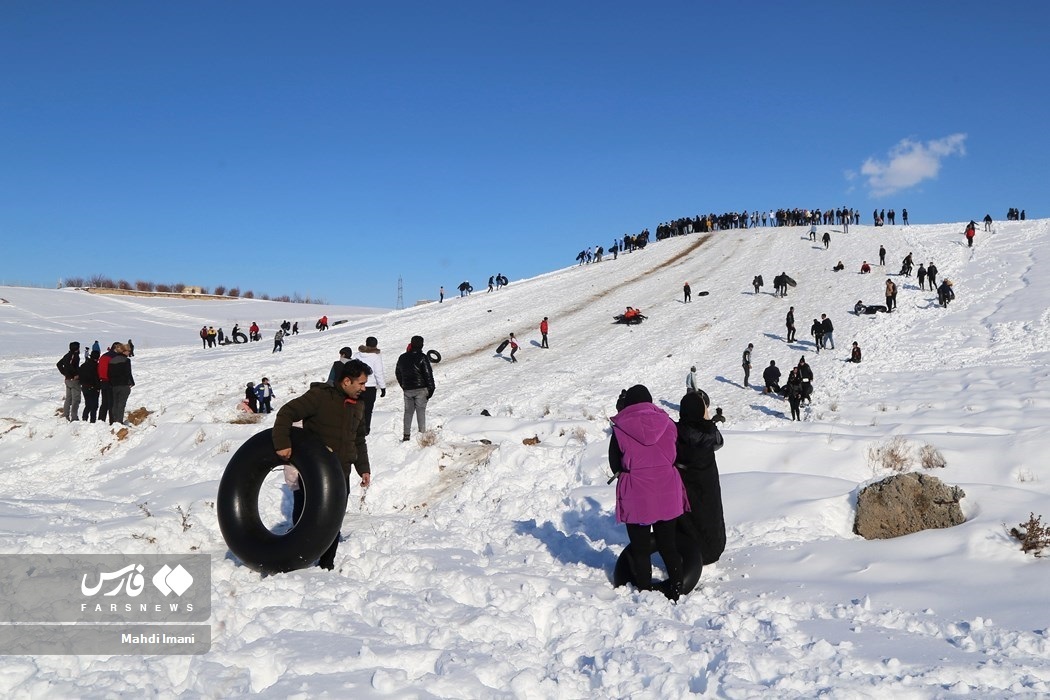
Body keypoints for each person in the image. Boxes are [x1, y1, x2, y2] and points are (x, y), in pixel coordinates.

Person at [273, 359, 372, 571]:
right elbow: (286, 412)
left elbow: (359, 439)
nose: (364, 388)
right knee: (304, 517)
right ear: (346, 381)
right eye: (361, 383)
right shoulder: (320, 397)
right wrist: (282, 443)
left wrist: (363, 468)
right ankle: (295, 559)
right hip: (313, 473)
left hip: (341, 471)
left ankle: (327, 564)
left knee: (333, 520)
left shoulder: (359, 405)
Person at [609, 385, 688, 600]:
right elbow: (677, 454)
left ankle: (644, 590)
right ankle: (677, 588)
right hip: (668, 491)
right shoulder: (669, 424)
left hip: (636, 495)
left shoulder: (620, 429)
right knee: (668, 545)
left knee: (641, 549)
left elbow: (614, 463)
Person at [674, 389, 726, 565]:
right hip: (708, 483)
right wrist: (707, 420)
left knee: (688, 517)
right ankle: (712, 549)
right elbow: (719, 442)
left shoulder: (674, 432)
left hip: (683, 485)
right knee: (710, 514)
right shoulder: (710, 432)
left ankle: (688, 552)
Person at [395, 335, 435, 442]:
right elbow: (428, 374)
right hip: (421, 389)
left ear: (411, 344)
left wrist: (403, 385)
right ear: (422, 345)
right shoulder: (422, 357)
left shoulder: (402, 357)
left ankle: (406, 435)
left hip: (407, 389)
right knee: (420, 412)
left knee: (408, 412)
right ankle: (422, 434)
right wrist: (430, 390)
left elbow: (398, 372)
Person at [357, 337, 387, 436]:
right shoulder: (376, 357)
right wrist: (382, 387)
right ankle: (366, 429)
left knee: (356, 408)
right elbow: (378, 373)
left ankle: (356, 428)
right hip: (370, 387)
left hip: (357, 385)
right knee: (368, 409)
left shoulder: (356, 355)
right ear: (376, 345)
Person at [107, 342, 135, 426]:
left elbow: (109, 373)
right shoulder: (126, 360)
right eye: (128, 351)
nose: (129, 353)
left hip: (114, 385)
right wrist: (131, 382)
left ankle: (114, 421)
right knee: (121, 404)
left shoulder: (111, 360)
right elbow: (128, 373)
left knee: (114, 404)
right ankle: (119, 421)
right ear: (124, 351)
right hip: (124, 385)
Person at [57, 341, 82, 422]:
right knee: (76, 399)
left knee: (68, 398)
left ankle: (66, 415)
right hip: (73, 380)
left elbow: (59, 364)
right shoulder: (73, 355)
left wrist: (65, 374)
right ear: (76, 348)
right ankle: (74, 418)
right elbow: (69, 365)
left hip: (68, 380)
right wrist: (74, 374)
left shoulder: (67, 355)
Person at [79, 349, 101, 422]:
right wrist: (98, 387)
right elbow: (96, 378)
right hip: (93, 387)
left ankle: (84, 418)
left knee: (88, 404)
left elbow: (80, 375)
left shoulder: (83, 365)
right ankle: (92, 421)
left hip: (84, 387)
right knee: (94, 406)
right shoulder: (96, 366)